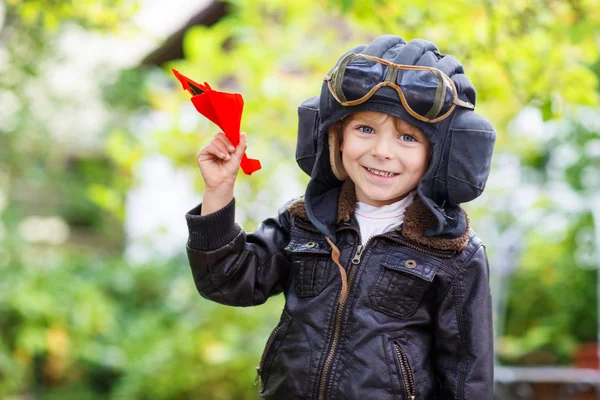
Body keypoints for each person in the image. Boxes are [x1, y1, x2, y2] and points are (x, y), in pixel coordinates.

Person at [185, 35, 496, 399]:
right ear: (337, 138)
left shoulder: (453, 254)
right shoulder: (305, 222)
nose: (382, 152)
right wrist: (219, 191)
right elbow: (225, 280)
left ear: (437, 154)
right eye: (365, 129)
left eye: (408, 138)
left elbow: (467, 378)